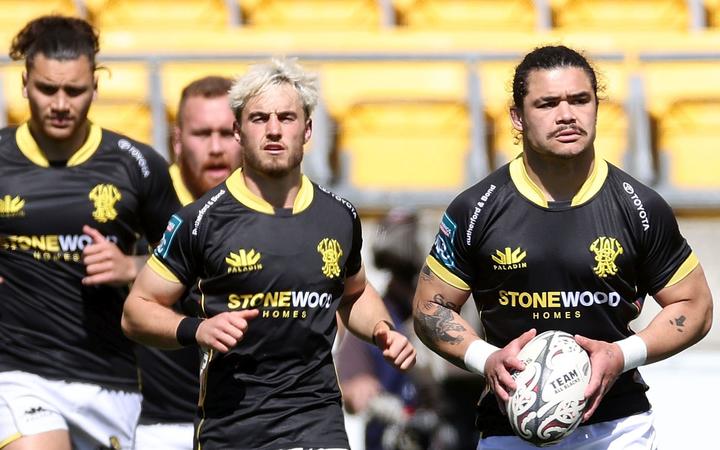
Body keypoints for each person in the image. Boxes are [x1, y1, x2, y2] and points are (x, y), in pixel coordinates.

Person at [412, 45, 713, 450]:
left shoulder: (638, 205)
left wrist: (621, 355)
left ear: (596, 107)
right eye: (548, 103)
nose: (567, 114)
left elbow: (696, 305)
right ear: (518, 117)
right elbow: (429, 308)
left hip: (617, 429)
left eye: (580, 100)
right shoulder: (477, 208)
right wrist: (485, 359)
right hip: (509, 429)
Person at [121, 57, 416, 450]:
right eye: (259, 119)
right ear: (238, 131)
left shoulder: (339, 216)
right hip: (233, 427)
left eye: (286, 118)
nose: (274, 130)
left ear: (308, 129)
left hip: (316, 420)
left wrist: (382, 330)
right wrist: (197, 329)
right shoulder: (201, 220)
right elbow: (136, 310)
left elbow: (355, 293)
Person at [0, 15, 180, 450]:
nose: (60, 103)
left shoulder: (135, 164)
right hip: (17, 371)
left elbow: (191, 262)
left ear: (95, 87)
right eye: (47, 89)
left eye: (74, 91)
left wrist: (133, 266)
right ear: (24, 84)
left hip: (110, 379)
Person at [133, 75, 241, 450]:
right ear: (177, 140)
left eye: (227, 133)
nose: (215, 147)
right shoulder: (141, 204)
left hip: (244, 424)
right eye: (202, 133)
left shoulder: (270, 207)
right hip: (153, 425)